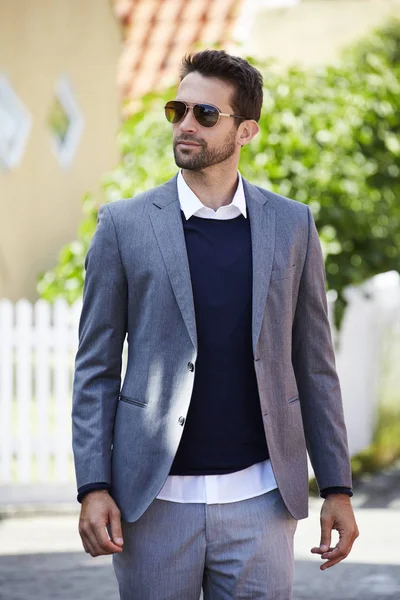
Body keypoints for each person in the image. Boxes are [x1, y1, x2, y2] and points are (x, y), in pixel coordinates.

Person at [72, 49, 359, 600]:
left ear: (245, 130)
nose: (185, 124)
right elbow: (96, 370)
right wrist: (94, 485)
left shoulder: (292, 225)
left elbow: (314, 365)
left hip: (262, 503)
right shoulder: (123, 226)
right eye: (177, 110)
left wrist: (338, 487)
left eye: (205, 115)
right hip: (151, 504)